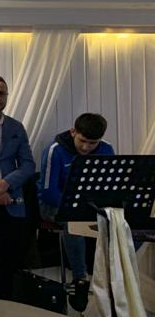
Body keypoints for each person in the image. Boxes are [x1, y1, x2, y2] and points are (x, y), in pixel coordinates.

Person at [38, 113, 114, 304]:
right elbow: (48, 192)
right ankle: (81, 278)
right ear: (73, 132)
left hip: (89, 205)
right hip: (54, 205)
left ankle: (114, 273)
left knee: (124, 223)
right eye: (83, 141)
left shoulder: (107, 149)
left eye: (93, 143)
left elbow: (109, 188)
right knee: (73, 221)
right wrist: (78, 207)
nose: (86, 147)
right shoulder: (55, 150)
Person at [0, 75, 36, 300]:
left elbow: (28, 164)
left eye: (1, 93)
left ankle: (6, 312)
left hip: (11, 202)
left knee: (8, 265)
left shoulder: (16, 127)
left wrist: (6, 184)